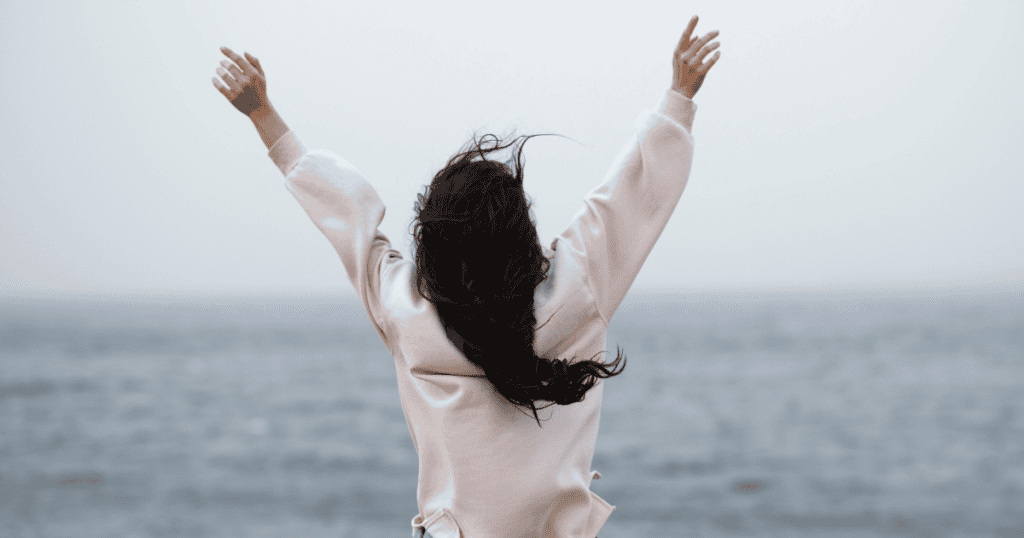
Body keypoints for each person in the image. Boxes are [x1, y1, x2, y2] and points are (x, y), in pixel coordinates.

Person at [212, 14, 720, 538]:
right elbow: (631, 197)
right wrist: (679, 95)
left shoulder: (405, 310)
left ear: (432, 244)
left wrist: (262, 114)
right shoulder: (574, 291)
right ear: (521, 231)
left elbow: (346, 215)